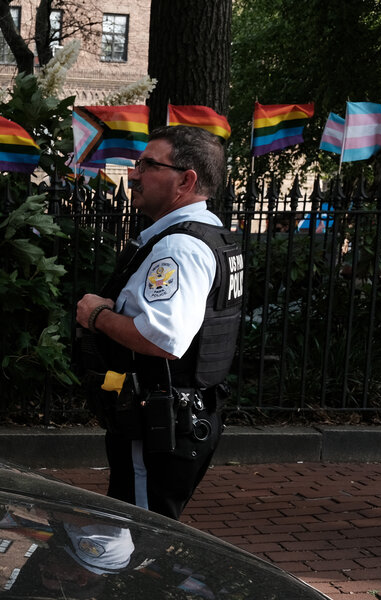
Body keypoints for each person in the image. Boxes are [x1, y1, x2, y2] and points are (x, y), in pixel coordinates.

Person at [75, 126, 245, 519]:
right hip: (183, 417)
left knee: (138, 531)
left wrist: (97, 315)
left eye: (148, 165)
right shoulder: (210, 237)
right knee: (149, 527)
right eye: (138, 163)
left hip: (159, 422)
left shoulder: (179, 247)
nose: (133, 174)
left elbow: (163, 337)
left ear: (186, 180)